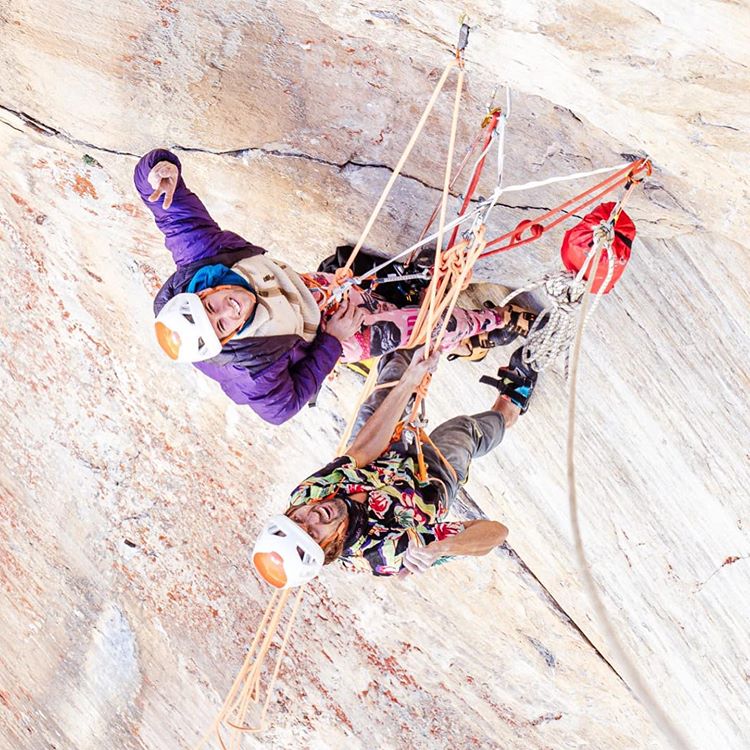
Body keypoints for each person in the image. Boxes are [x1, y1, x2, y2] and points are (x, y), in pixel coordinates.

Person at [135, 148, 535, 425]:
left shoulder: (203, 263)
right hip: (334, 334)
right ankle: (492, 321)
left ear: (200, 292)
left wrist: (157, 171)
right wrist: (330, 341)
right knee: (424, 325)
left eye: (212, 306)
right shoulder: (249, 371)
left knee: (375, 299)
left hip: (314, 292)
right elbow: (282, 408)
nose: (229, 310)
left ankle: (460, 342)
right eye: (223, 325)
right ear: (227, 340)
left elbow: (174, 216)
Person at [252, 346, 538, 584]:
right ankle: (509, 407)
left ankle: (410, 331)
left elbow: (362, 452)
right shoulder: (388, 553)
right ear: (330, 548)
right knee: (462, 431)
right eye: (313, 533)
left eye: (298, 519)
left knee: (389, 386)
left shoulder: (307, 496)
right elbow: (496, 533)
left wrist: (408, 382)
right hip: (431, 482)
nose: (313, 517)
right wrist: (443, 547)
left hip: (376, 460)